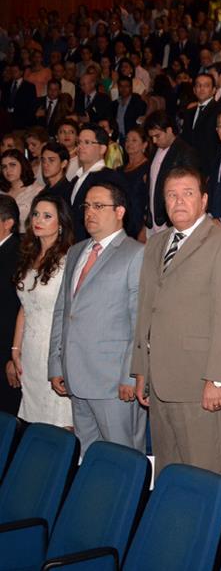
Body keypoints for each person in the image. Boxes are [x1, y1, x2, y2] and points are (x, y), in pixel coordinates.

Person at [132, 166, 221, 480]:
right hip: (159, 380)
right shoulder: (156, 245)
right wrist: (141, 369)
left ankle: (215, 531)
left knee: (205, 474)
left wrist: (217, 380)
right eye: (171, 194)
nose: (179, 201)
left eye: (188, 193)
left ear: (203, 200)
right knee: (169, 473)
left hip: (200, 383)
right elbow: (146, 309)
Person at [48, 182, 145, 453]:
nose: (90, 212)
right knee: (89, 459)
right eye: (87, 206)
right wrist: (56, 364)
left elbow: (140, 321)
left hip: (113, 381)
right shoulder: (76, 251)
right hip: (75, 376)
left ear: (120, 211)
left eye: (99, 206)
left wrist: (131, 374)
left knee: (122, 458)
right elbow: (63, 312)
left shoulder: (135, 253)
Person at [10, 193, 74, 427]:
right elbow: (25, 307)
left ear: (61, 224)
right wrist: (15, 349)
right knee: (32, 419)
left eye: (47, 216)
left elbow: (70, 313)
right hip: (30, 351)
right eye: (36, 214)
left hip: (54, 347)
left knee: (58, 421)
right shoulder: (29, 256)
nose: (38, 219)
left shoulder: (69, 260)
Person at [144, 111, 202, 239]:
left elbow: (190, 189)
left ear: (169, 130)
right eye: (151, 137)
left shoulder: (185, 152)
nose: (154, 140)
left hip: (170, 219)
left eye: (157, 136)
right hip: (152, 219)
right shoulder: (155, 151)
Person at [0, 196, 22, 415]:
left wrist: (12, 356)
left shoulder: (18, 254)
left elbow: (18, 308)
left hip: (6, 349)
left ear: (9, 223)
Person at [178, 72, 221, 176]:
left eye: (206, 85)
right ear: (194, 90)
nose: (201, 88)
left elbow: (217, 144)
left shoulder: (219, 110)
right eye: (198, 85)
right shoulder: (189, 112)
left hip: (208, 168)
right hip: (188, 165)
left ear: (214, 90)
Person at [1, 149, 42, 232]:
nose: (8, 170)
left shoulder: (37, 191)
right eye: (4, 167)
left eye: (12, 165)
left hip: (28, 239)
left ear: (22, 165)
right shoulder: (2, 192)